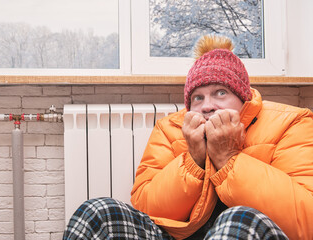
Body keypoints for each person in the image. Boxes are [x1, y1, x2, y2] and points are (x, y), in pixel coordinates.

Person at [63, 35, 313, 240]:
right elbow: (145, 208)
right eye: (198, 98)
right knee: (97, 211)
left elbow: (306, 221)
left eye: (220, 92)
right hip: (177, 237)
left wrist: (228, 157)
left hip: (250, 232)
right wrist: (193, 159)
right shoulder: (169, 128)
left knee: (238, 219)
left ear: (243, 98)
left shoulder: (291, 122)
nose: (207, 106)